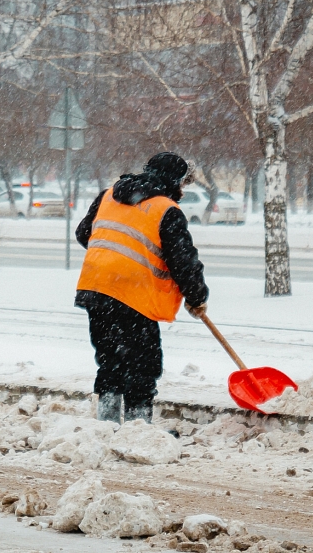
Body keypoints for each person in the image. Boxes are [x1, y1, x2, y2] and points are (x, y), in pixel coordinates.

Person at [75, 152, 209, 424]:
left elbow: (83, 234)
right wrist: (197, 297)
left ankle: (106, 424)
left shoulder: (108, 195)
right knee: (142, 365)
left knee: (110, 361)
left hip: (96, 289)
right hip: (134, 296)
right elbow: (183, 261)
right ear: (176, 181)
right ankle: (139, 428)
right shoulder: (166, 209)